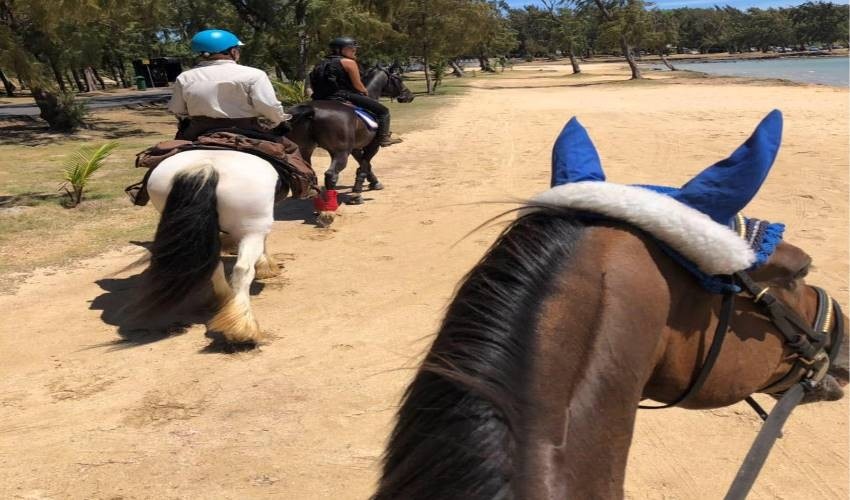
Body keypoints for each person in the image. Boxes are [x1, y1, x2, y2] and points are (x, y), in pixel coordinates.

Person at [168, 29, 292, 140]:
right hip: (246, 130)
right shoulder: (254, 74)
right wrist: (279, 120)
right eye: (237, 49)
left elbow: (177, 109)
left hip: (197, 131)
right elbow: (268, 106)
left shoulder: (184, 77)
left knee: (168, 154)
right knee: (291, 151)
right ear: (233, 51)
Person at [309, 36, 402, 147]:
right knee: (383, 111)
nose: (355, 51)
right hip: (342, 96)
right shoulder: (349, 62)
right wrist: (364, 91)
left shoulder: (320, 63)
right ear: (341, 50)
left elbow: (312, 83)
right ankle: (384, 137)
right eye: (352, 49)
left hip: (319, 98)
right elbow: (357, 85)